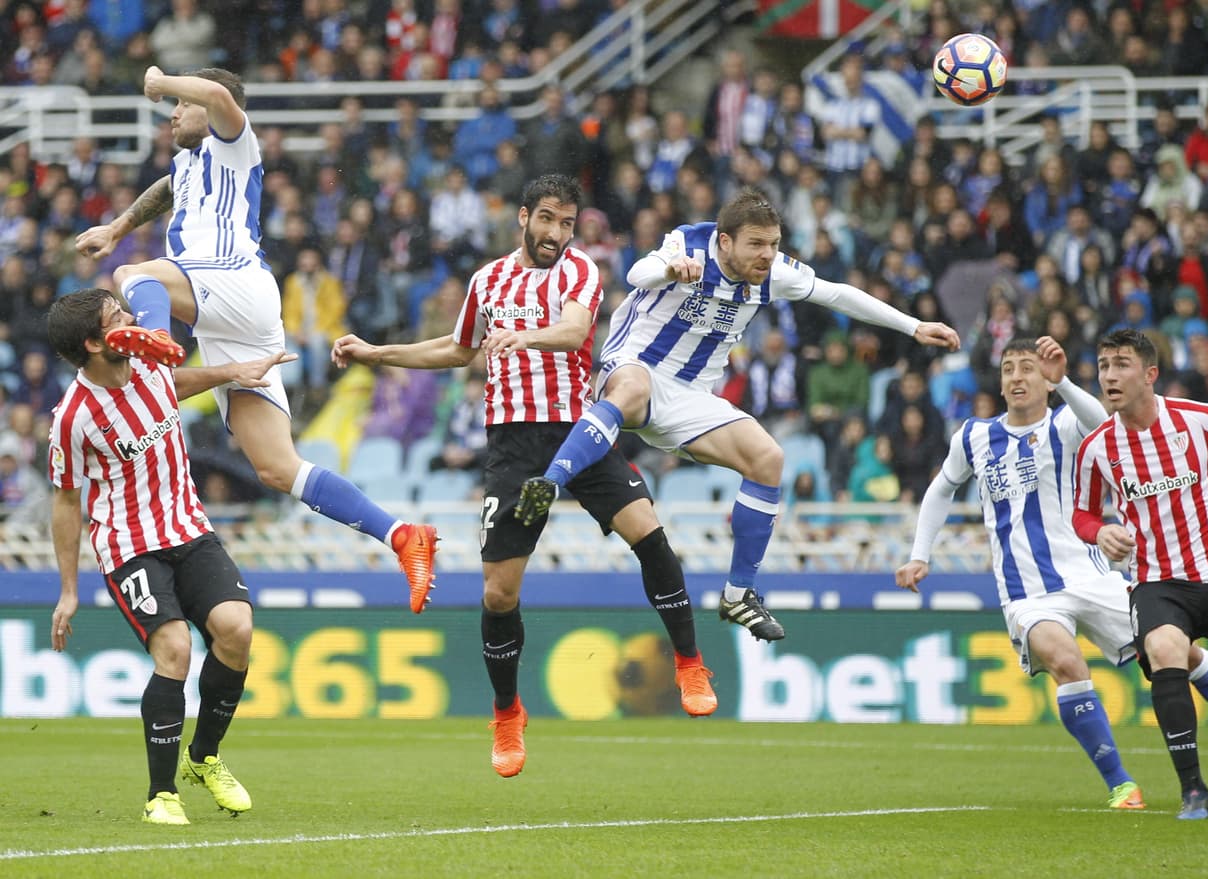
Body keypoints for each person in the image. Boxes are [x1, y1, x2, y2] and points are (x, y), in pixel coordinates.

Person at [330, 175, 716, 780]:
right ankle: (507, 712)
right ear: (523, 217)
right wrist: (378, 354)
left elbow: (571, 332)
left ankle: (690, 662)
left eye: (567, 224)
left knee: (649, 532)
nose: (557, 235)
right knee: (497, 594)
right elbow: (460, 350)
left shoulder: (579, 271)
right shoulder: (488, 281)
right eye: (548, 221)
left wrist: (519, 337)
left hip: (577, 431)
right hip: (512, 444)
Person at [516, 189, 960, 641]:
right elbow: (637, 272)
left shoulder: (774, 272)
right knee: (632, 389)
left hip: (691, 396)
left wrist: (914, 325)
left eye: (774, 244)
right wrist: (670, 268)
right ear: (725, 242)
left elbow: (839, 294)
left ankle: (738, 594)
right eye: (757, 244)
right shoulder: (689, 244)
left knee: (768, 458)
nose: (767, 255)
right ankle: (548, 485)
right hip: (635, 366)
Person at [72, 66, 437, 613]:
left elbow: (219, 92)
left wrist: (161, 78)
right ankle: (403, 536)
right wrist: (117, 227)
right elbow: (165, 190)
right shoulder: (189, 164)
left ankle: (151, 343)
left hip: (231, 280)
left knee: (132, 277)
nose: (173, 112)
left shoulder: (234, 141)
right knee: (276, 467)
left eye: (181, 105)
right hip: (227, 316)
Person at [897, 335, 1208, 810]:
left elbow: (1109, 424)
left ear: (1046, 379)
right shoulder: (974, 436)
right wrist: (920, 553)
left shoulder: (1070, 423)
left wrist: (1066, 385)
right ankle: (1121, 783)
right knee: (1065, 660)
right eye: (1008, 370)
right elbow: (940, 490)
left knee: (1181, 656)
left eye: (1027, 369)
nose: (1017, 378)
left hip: (1092, 575)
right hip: (1027, 588)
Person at [47, 288, 295, 825]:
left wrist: (236, 371)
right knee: (176, 648)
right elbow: (65, 501)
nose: (132, 321)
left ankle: (203, 758)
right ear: (94, 343)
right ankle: (161, 795)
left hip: (189, 528)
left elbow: (174, 385)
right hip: (130, 545)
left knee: (237, 629)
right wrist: (68, 590)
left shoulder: (147, 362)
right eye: (118, 318)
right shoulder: (74, 417)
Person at [1074, 328, 1208, 820]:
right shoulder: (1098, 447)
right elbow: (1082, 514)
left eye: (1120, 364)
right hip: (1157, 583)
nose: (1109, 375)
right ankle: (1193, 791)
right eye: (1103, 366)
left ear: (1150, 373)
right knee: (1165, 650)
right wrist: (1099, 532)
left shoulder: (1200, 419)